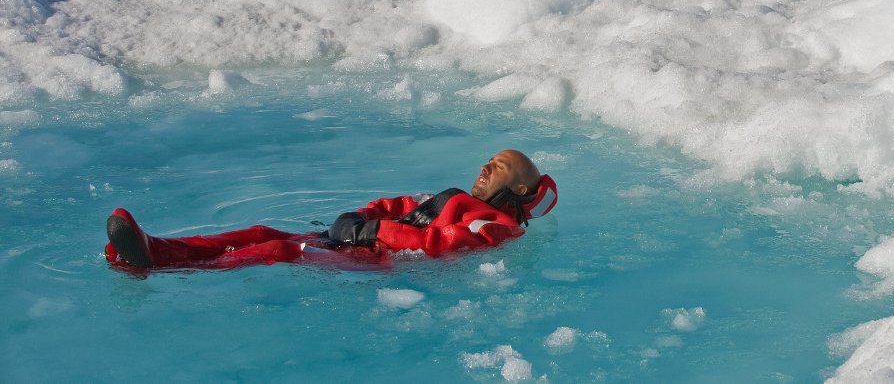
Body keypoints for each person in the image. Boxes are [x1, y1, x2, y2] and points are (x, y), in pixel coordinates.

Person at [104, 149, 558, 271]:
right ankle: (159, 248)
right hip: (358, 240)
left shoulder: (497, 224)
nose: (485, 166)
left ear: (519, 186)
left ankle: (161, 267)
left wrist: (372, 235)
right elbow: (401, 206)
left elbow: (444, 244)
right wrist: (359, 217)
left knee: (283, 249)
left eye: (497, 166)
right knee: (262, 229)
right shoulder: (455, 197)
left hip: (379, 260)